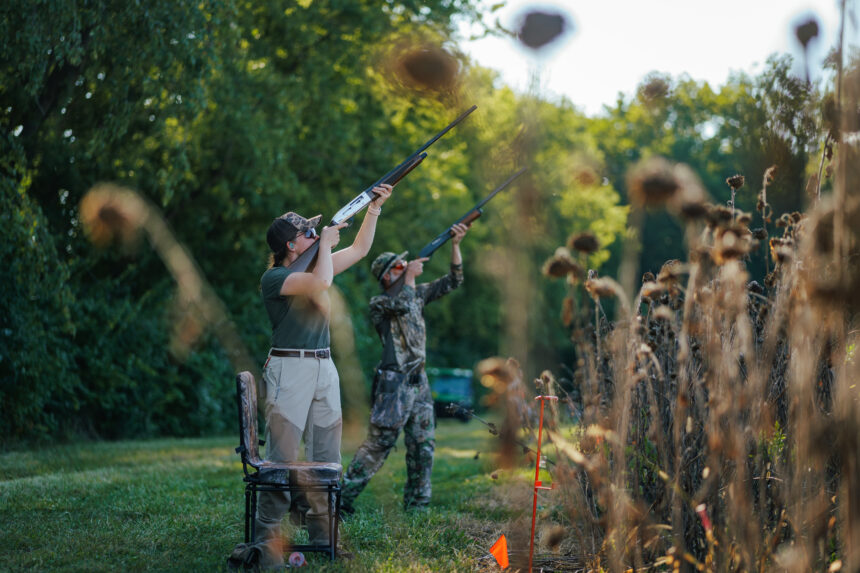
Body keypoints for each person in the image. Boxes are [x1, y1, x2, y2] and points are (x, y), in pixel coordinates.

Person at [256, 184, 392, 568]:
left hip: (323, 366)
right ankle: (265, 545)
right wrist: (327, 246)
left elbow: (361, 250)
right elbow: (321, 283)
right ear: (291, 246)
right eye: (309, 233)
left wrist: (374, 209)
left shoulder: (316, 263)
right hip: (290, 368)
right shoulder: (275, 278)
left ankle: (324, 540)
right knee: (281, 461)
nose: (316, 235)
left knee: (327, 459)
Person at [340, 222, 470, 514]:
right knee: (379, 444)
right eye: (399, 266)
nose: (405, 266)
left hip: (418, 382)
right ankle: (341, 499)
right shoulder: (380, 303)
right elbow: (403, 303)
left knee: (423, 445)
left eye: (404, 264)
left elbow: (454, 281)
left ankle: (417, 506)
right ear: (387, 276)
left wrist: (455, 245)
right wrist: (410, 276)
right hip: (394, 384)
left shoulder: (415, 293)